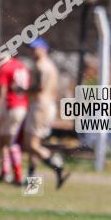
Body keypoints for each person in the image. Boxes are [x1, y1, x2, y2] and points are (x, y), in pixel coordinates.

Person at [24, 39, 70, 189]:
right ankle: (32, 183)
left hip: (40, 106)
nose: (32, 52)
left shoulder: (41, 66)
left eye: (34, 48)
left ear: (43, 49)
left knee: (31, 145)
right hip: (46, 105)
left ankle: (58, 166)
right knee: (34, 144)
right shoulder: (50, 65)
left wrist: (21, 90)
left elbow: (39, 88)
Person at [0, 56, 30, 185]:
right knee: (2, 140)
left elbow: (2, 93)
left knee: (11, 142)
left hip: (12, 107)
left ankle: (17, 177)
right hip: (21, 106)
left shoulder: (5, 68)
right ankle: (4, 172)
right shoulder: (20, 65)